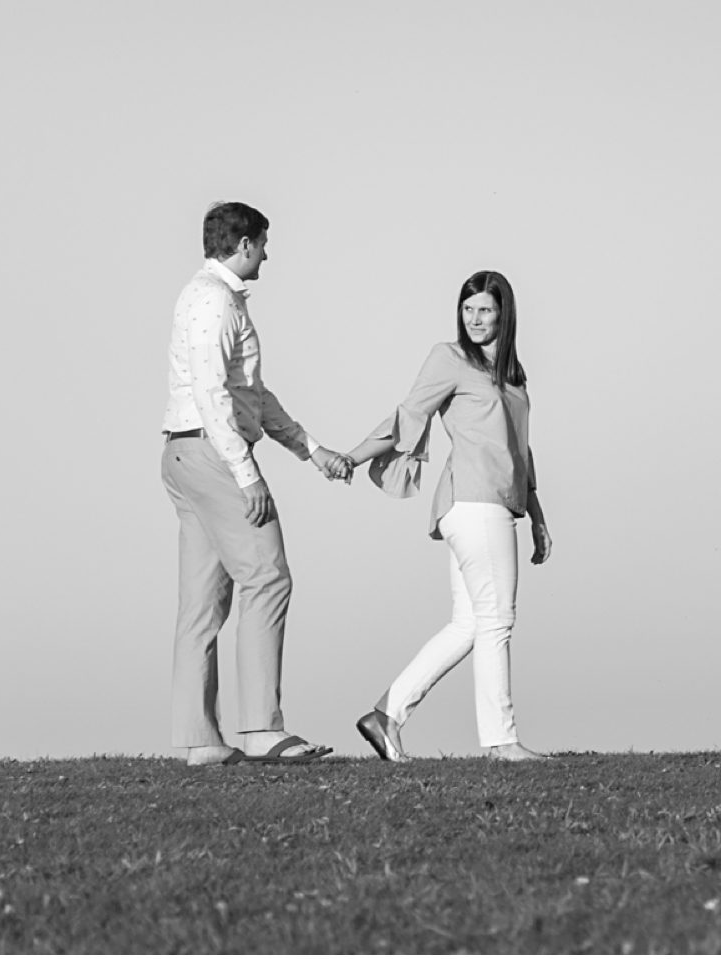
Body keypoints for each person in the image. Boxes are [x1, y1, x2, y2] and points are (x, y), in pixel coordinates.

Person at [162, 201, 353, 766]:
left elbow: (251, 395)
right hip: (213, 453)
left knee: (203, 602)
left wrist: (311, 451)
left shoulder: (213, 299)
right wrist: (247, 476)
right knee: (269, 578)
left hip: (185, 454)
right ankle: (261, 730)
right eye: (264, 243)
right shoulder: (214, 302)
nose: (268, 253)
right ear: (244, 244)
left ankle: (200, 741)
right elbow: (214, 396)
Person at [344, 270, 552, 763]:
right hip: (473, 502)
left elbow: (519, 450)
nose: (475, 319)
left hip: (499, 503)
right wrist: (350, 457)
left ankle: (386, 715)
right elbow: (407, 414)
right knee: (498, 619)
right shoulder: (450, 358)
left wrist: (537, 514)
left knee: (469, 624)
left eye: (485, 309)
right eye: (467, 309)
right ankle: (502, 741)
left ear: (505, 313)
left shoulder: (512, 375)